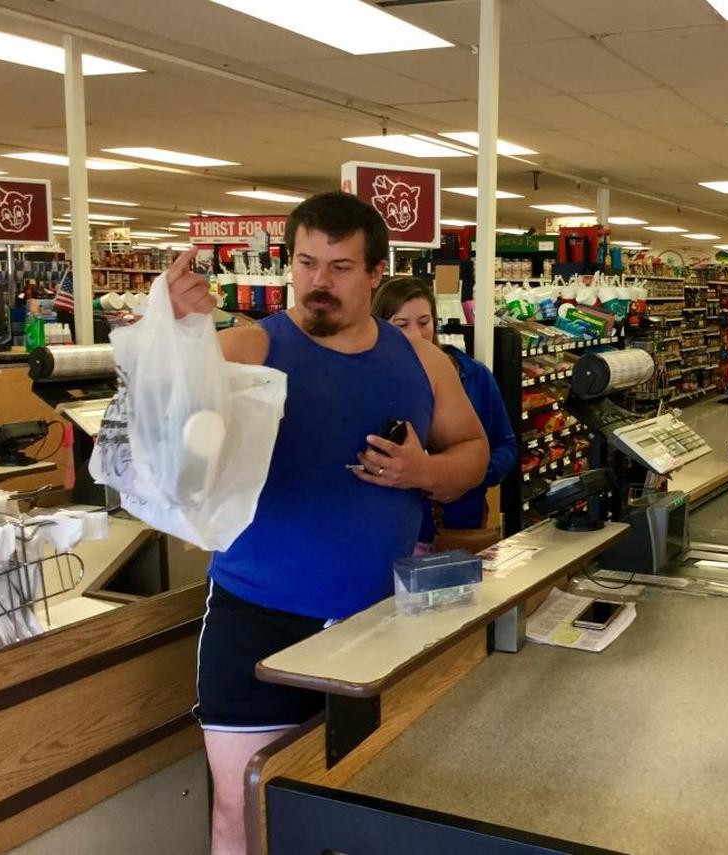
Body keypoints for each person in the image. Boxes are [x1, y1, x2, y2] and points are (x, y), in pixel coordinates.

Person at [166, 192, 488, 854]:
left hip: (375, 629)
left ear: (376, 273)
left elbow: (475, 455)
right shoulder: (252, 346)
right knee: (244, 809)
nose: (318, 282)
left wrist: (420, 471)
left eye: (340, 267)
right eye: (306, 262)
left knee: (356, 815)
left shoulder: (422, 361)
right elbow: (156, 412)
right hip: (257, 623)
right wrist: (173, 338)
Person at [372, 276, 518, 550]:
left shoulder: (474, 376)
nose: (416, 334)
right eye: (401, 325)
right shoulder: (374, 384)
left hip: (463, 524)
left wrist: (465, 474)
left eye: (424, 322)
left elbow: (506, 445)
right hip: (399, 533)